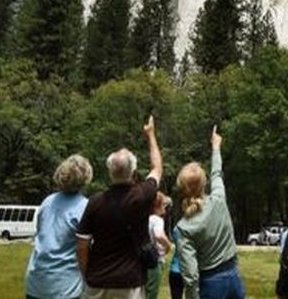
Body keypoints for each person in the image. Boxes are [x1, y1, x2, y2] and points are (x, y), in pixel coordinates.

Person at [77, 115, 164, 299]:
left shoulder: (95, 202)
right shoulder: (143, 195)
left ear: (110, 172)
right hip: (129, 283)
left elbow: (82, 246)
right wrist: (151, 135)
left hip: (97, 281)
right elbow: (157, 168)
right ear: (133, 172)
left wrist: (86, 275)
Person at [176, 125, 245, 299]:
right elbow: (217, 174)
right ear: (204, 184)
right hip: (234, 278)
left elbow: (190, 277)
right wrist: (215, 147)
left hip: (210, 284)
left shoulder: (183, 228)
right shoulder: (219, 200)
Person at [26, 154, 95, 299]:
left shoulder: (47, 201)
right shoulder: (85, 207)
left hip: (36, 281)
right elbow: (86, 248)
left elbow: (40, 233)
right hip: (65, 287)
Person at [146, 193, 174, 299]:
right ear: (157, 206)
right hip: (154, 260)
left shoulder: (144, 219)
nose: (165, 208)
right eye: (163, 205)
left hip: (142, 260)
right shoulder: (157, 220)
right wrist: (168, 245)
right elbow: (158, 235)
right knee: (152, 293)